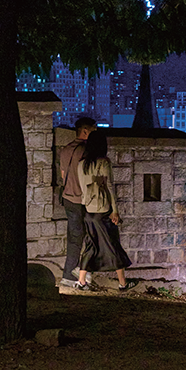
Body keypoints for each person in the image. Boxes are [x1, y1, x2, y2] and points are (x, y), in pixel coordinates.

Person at [76, 130, 135, 291]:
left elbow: (83, 186)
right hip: (102, 210)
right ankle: (122, 283)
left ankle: (81, 281)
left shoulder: (81, 164)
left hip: (88, 209)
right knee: (113, 245)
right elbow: (109, 187)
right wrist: (115, 210)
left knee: (90, 244)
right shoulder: (103, 162)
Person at [59, 116, 97, 289]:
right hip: (84, 200)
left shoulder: (65, 150)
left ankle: (68, 275)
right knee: (91, 237)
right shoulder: (87, 151)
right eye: (93, 131)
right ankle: (83, 274)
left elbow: (62, 175)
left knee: (74, 239)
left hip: (68, 198)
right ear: (85, 131)